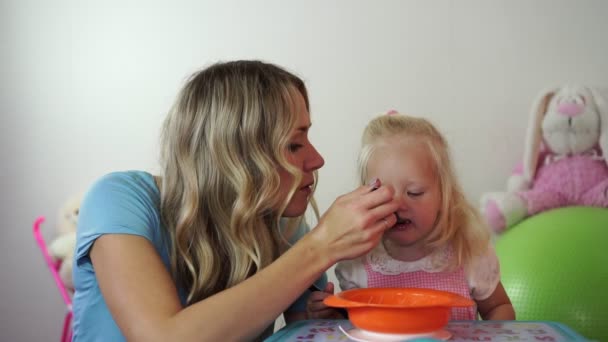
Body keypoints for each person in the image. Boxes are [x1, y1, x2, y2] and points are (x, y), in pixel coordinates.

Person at [71, 61, 405, 341]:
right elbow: (162, 337)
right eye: (293, 144)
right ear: (235, 156)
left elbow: (299, 328)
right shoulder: (118, 198)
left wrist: (325, 318)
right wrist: (321, 247)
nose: (317, 159)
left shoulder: (283, 224)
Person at [307, 112, 515, 321]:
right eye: (382, 193)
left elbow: (500, 308)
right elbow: (354, 326)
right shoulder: (358, 262)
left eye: (414, 192)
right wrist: (333, 315)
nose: (397, 205)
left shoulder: (469, 253)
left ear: (444, 194)